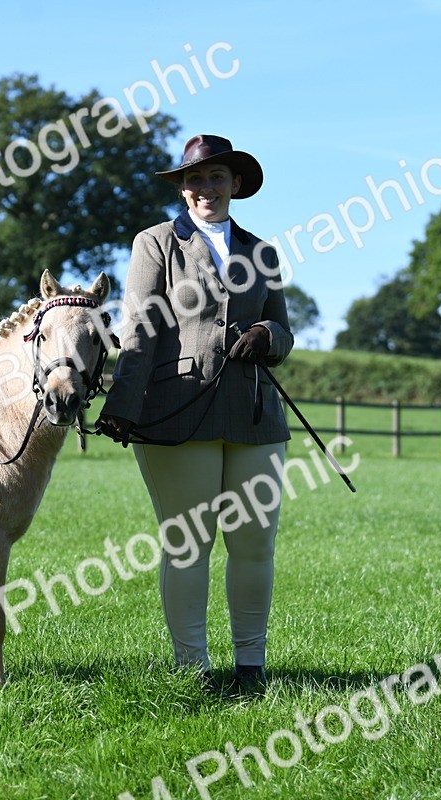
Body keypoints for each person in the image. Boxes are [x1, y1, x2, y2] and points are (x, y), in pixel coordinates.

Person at [95, 134, 294, 696]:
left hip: (256, 415)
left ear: (235, 184)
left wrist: (268, 334)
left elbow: (285, 329)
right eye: (194, 179)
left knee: (255, 542)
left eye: (215, 178)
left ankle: (251, 668)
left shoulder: (263, 252)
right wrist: (123, 407)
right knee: (189, 542)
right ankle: (194, 671)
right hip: (177, 411)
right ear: (182, 189)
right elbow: (138, 329)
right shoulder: (155, 244)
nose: (204, 188)